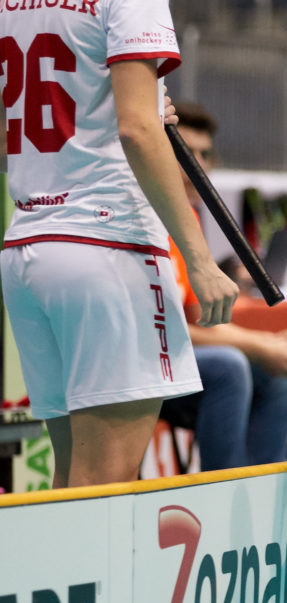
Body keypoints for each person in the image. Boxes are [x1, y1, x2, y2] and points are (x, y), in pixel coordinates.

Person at [0, 0, 238, 489]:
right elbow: (136, 128)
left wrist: (128, 111)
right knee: (105, 490)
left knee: (69, 483)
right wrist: (199, 259)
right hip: (108, 246)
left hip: (28, 246)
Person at [158, 102, 287, 470]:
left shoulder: (190, 222)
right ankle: (223, 499)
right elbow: (167, 332)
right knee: (231, 365)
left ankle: (262, 507)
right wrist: (257, 344)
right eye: (185, 151)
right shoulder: (146, 217)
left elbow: (200, 321)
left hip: (177, 357)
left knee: (278, 372)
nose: (195, 163)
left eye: (204, 154)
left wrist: (271, 344)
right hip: (144, 361)